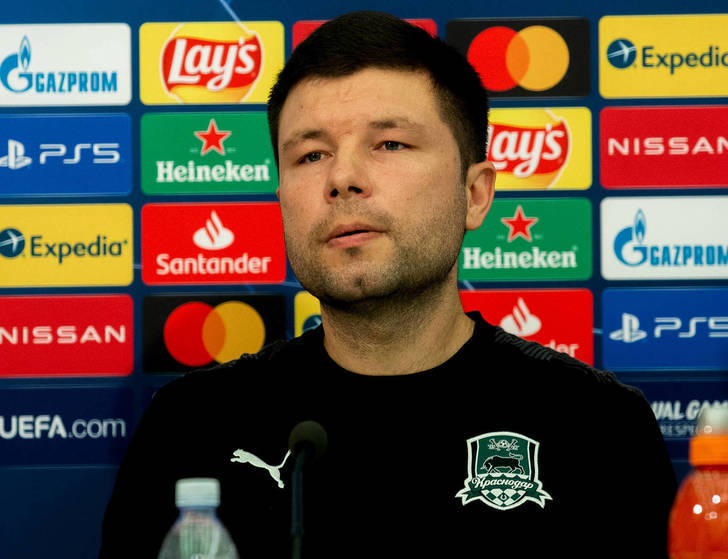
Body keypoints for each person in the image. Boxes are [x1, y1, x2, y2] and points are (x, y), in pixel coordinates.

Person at [99, 11, 677, 558]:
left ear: (475, 194)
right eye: (311, 155)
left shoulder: (599, 428)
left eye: (389, 144)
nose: (342, 177)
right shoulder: (190, 427)